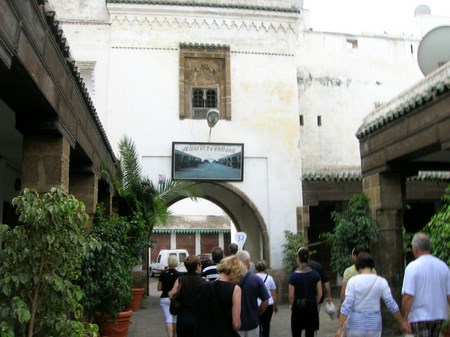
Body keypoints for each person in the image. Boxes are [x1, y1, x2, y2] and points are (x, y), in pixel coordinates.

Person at [335, 252, 407, 337]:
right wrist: (402, 322)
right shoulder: (381, 281)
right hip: (374, 326)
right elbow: (391, 304)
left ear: (357, 266)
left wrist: (340, 327)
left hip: (355, 325)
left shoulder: (353, 281)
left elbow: (347, 305)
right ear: (372, 266)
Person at [401, 232, 450, 337]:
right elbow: (449, 294)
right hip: (439, 315)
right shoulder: (443, 266)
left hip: (420, 316)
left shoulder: (412, 267)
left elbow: (408, 296)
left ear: (415, 248)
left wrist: (404, 319)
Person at [196, 256, 247, 337]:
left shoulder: (203, 286)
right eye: (239, 276)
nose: (238, 280)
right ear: (234, 272)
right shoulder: (235, 289)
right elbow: (236, 324)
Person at [289, 247, 322, 337]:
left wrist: (292, 305)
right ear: (308, 258)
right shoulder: (315, 274)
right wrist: (314, 302)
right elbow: (320, 294)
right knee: (310, 333)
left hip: (298, 307)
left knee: (296, 332)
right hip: (311, 307)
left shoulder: (293, 276)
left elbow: (291, 296)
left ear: (298, 259)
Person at [169, 256, 206, 337]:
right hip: (199, 316)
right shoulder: (204, 281)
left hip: (184, 315)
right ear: (197, 266)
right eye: (200, 265)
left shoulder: (180, 279)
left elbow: (171, 295)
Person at [236, 250, 270, 337]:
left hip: (236, 323)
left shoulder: (231, 280)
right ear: (248, 262)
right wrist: (258, 312)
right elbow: (266, 301)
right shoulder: (256, 279)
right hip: (252, 322)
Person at [338, 245, 374, 317]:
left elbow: (343, 293)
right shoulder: (373, 271)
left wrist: (342, 307)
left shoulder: (349, 271)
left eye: (352, 254)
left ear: (355, 256)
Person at [158, 255, 183, 337]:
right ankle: (174, 335)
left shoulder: (163, 273)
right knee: (175, 318)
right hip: (175, 299)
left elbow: (159, 288)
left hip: (164, 298)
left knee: (168, 318)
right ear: (176, 262)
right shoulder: (180, 275)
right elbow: (180, 289)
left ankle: (169, 335)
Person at [255, 260, 278, 337]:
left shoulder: (254, 278)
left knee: (257, 324)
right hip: (269, 304)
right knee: (266, 324)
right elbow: (273, 293)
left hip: (257, 304)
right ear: (265, 267)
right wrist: (275, 305)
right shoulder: (270, 278)